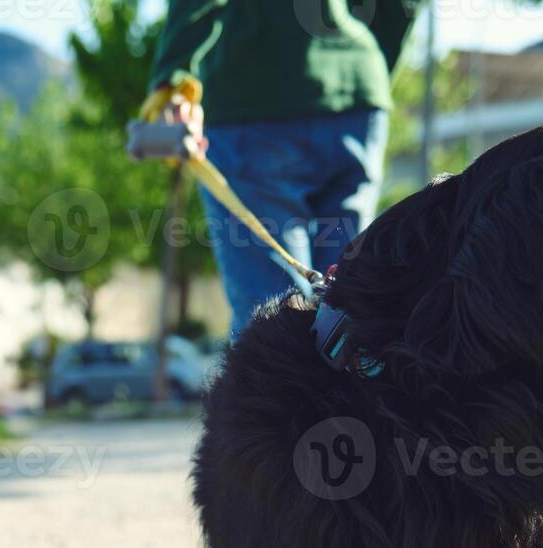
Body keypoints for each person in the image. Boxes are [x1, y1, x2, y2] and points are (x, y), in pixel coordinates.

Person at [143, 1, 421, 338]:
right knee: (348, 307)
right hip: (358, 92)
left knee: (273, 323)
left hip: (253, 91)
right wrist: (363, 63)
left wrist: (174, 76)